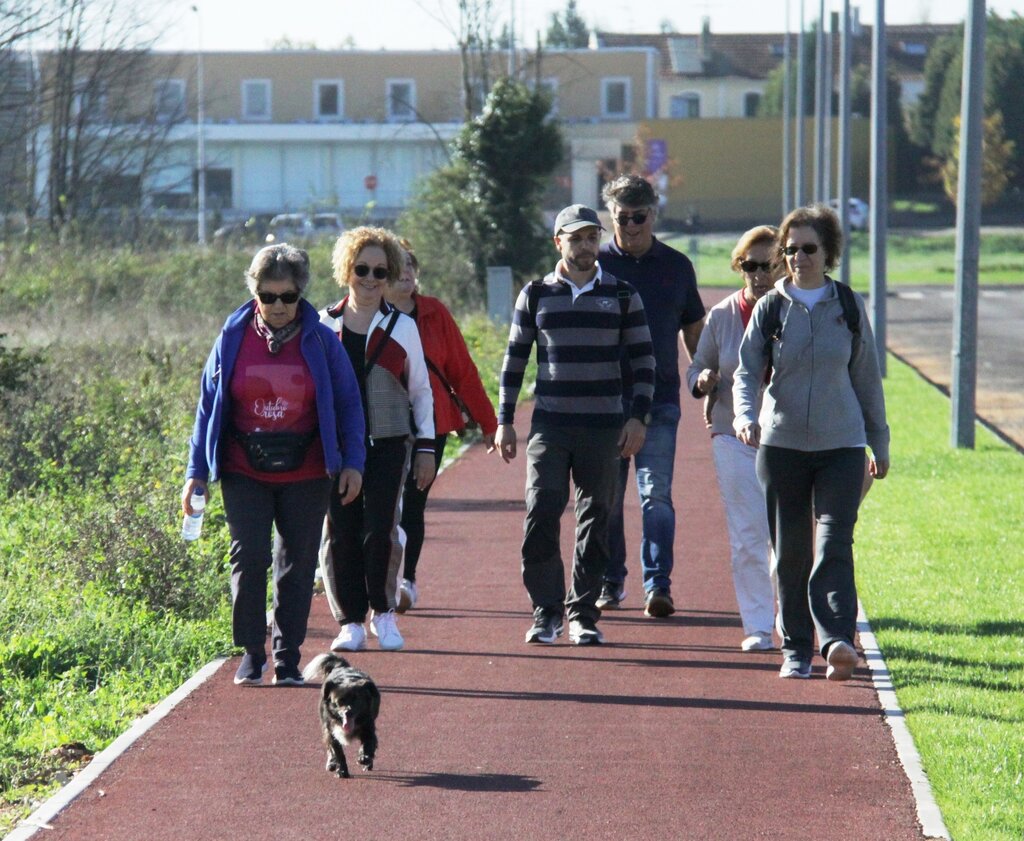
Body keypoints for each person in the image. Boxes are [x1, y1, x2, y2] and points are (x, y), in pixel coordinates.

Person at [182, 243, 366, 687]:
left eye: (288, 296)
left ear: (301, 294)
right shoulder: (232, 336)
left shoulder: (321, 340)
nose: (279, 306)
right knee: (249, 558)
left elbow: (348, 404)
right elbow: (208, 406)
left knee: (297, 563)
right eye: (269, 296)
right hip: (245, 466)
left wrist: (353, 462)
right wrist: (195, 474)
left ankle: (286, 657)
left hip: (307, 468)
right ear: (255, 292)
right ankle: (250, 652)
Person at [733, 204, 890, 681]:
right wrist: (744, 414)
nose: (797, 257)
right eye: (790, 249)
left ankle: (838, 639)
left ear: (829, 252)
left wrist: (878, 443)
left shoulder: (847, 305)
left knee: (834, 542)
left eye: (808, 248)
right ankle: (797, 649)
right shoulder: (771, 307)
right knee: (793, 551)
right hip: (781, 447)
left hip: (841, 446)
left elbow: (866, 378)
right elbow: (745, 371)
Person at [496, 204, 655, 646]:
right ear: (558, 242)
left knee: (596, 519)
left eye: (591, 237)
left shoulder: (623, 294)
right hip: (551, 425)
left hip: (605, 426)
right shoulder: (534, 294)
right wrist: (505, 420)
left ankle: (583, 613)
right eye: (576, 237)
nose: (585, 246)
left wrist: (638, 418)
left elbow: (645, 362)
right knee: (542, 509)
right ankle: (546, 612)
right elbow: (514, 361)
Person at [319, 226, 436, 652]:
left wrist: (426, 447)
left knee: (381, 529)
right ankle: (349, 620)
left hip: (389, 443)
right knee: (341, 531)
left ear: (390, 276)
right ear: (346, 270)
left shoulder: (402, 327)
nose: (369, 279)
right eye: (361, 268)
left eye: (379, 271)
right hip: (335, 450)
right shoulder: (322, 325)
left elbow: (421, 391)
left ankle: (383, 613)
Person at [597, 174, 706, 618]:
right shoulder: (598, 265)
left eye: (639, 216)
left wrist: (703, 375)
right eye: (622, 218)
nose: (631, 225)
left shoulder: (677, 267)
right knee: (606, 496)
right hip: (606, 400)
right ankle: (610, 579)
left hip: (659, 399)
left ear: (654, 214)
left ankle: (657, 584)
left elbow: (693, 328)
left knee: (654, 494)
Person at [384, 239, 499, 612]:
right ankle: (377, 580)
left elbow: (462, 370)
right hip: (381, 424)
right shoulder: (367, 313)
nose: (406, 274)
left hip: (429, 424)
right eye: (398, 267)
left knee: (413, 503)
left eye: (410, 267)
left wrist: (488, 422)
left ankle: (406, 581)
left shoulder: (434, 313)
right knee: (384, 505)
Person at [686, 226, 779, 652]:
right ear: (740, 267)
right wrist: (702, 379)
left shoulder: (798, 311)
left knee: (789, 537)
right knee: (747, 535)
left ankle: (791, 618)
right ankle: (759, 625)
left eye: (769, 265)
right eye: (751, 266)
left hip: (792, 439)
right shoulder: (722, 316)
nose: (760, 274)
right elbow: (696, 367)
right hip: (732, 435)